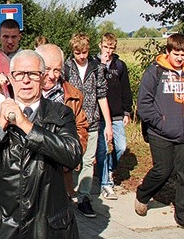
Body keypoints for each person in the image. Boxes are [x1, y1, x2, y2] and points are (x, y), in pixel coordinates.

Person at [0, 50, 82, 238]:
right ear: (11, 78)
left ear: (42, 79)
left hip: (47, 225)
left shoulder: (60, 113)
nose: (26, 80)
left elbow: (72, 154)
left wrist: (26, 125)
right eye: (19, 74)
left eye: (33, 74)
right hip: (4, 225)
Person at [135, 33, 184, 236]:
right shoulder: (155, 72)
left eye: (183, 54)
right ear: (168, 52)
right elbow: (144, 104)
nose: (180, 58)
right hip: (161, 133)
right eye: (176, 53)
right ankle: (143, 194)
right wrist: (161, 123)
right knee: (163, 170)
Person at [63, 33, 113, 218]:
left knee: (88, 161)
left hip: (92, 121)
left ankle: (84, 197)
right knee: (68, 161)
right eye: (78, 52)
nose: (82, 56)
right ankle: (67, 193)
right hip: (71, 122)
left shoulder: (97, 68)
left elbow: (102, 95)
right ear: (73, 51)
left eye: (84, 52)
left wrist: (107, 124)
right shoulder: (66, 68)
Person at [35, 43, 89, 197]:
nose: (52, 75)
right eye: (47, 69)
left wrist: (71, 155)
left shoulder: (73, 96)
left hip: (59, 174)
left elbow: (81, 130)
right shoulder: (21, 88)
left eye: (57, 70)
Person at [96, 33, 133, 200]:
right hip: (99, 115)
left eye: (111, 48)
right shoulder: (94, 63)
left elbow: (126, 89)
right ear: (100, 46)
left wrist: (127, 111)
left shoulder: (120, 65)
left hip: (117, 113)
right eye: (106, 47)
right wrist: (102, 65)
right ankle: (106, 184)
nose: (108, 51)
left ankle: (108, 167)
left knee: (121, 147)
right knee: (102, 149)